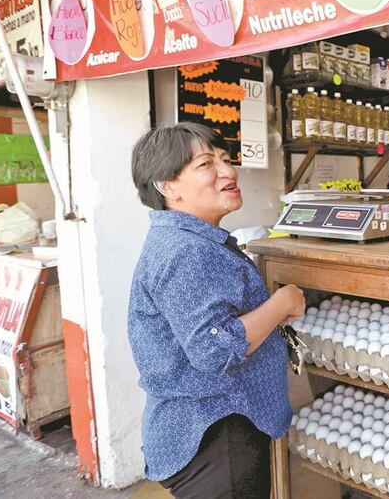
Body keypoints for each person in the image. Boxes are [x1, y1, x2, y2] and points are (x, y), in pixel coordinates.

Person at [128, 123, 305, 498]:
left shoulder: (182, 239)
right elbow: (215, 349)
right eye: (206, 164)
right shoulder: (187, 251)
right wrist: (282, 303)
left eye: (226, 159)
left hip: (211, 430)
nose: (228, 171)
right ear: (167, 186)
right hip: (215, 436)